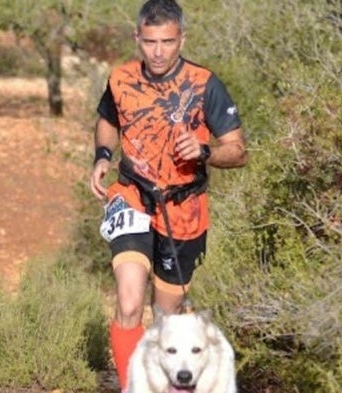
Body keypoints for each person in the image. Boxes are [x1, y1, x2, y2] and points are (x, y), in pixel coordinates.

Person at [89, 0, 248, 390]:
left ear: (182, 39)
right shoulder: (121, 79)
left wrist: (206, 151)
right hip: (132, 194)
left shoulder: (204, 83)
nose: (158, 51)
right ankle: (132, 386)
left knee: (165, 316)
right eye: (149, 42)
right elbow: (108, 122)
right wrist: (102, 157)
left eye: (167, 42)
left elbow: (239, 150)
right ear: (137, 38)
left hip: (184, 208)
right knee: (128, 302)